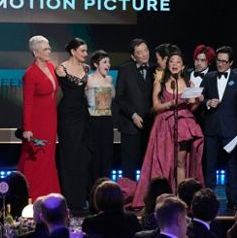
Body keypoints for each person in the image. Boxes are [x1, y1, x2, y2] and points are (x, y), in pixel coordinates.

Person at [132, 52, 204, 208]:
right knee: (164, 162)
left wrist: (198, 100)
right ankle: (161, 198)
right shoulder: (160, 82)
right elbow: (156, 107)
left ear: (183, 66)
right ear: (168, 64)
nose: (175, 64)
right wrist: (172, 103)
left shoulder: (189, 83)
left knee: (180, 162)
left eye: (178, 61)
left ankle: (180, 197)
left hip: (184, 125)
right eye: (172, 61)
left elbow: (191, 107)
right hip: (164, 125)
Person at [201, 46, 237, 210]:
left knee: (232, 167)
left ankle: (233, 200)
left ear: (231, 62)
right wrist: (207, 102)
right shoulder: (209, 77)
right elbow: (200, 99)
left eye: (224, 61)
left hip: (231, 130)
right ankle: (208, 200)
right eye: (218, 61)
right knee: (210, 166)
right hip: (212, 129)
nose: (220, 64)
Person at [18, 35, 60, 201]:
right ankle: (34, 196)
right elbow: (27, 102)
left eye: (49, 48)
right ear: (35, 52)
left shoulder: (50, 66)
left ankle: (50, 193)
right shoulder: (30, 74)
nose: (49, 51)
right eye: (45, 49)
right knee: (37, 158)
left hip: (51, 119)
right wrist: (27, 127)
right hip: (37, 122)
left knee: (48, 157)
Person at [55, 37, 90, 211]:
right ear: (73, 51)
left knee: (80, 155)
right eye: (82, 51)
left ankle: (80, 197)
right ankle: (68, 198)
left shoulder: (85, 68)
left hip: (82, 113)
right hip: (67, 114)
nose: (86, 54)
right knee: (68, 153)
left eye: (86, 50)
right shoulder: (61, 68)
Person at [116, 39, 156, 180]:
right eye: (139, 52)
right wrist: (132, 115)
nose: (144, 54)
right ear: (133, 56)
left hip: (150, 125)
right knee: (129, 166)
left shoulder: (156, 70)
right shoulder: (125, 70)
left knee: (149, 164)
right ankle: (129, 197)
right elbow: (119, 98)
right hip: (130, 124)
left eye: (146, 50)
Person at [85, 50, 115, 186]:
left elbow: (113, 97)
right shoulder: (88, 79)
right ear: (96, 64)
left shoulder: (110, 79)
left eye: (108, 62)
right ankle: (93, 189)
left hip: (107, 121)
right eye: (104, 62)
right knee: (95, 156)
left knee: (107, 155)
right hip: (93, 121)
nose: (108, 65)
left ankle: (106, 188)